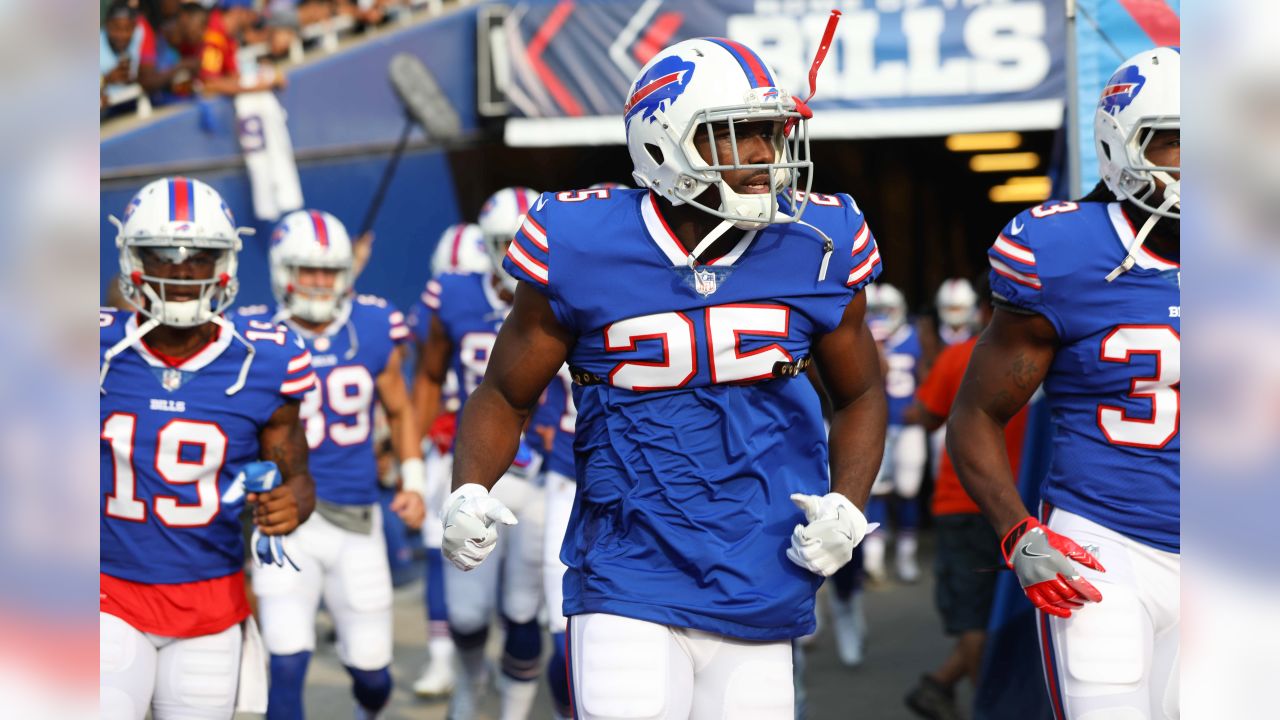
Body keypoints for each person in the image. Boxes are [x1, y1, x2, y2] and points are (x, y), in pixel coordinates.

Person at [440, 37, 888, 719]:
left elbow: (860, 393)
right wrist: (470, 486)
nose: (766, 156)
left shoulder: (816, 240)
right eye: (739, 136)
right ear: (666, 142)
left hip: (762, 565)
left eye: (770, 133)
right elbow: (506, 392)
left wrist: (848, 504)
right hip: (627, 566)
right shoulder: (583, 238)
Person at [948, 48, 1180, 720]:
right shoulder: (1067, 255)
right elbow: (975, 415)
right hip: (1106, 542)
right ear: (1121, 145)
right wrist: (1017, 531)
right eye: (1175, 142)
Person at [100, 176, 316, 719]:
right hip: (105, 593)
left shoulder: (266, 361)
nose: (179, 271)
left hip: (211, 602)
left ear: (226, 263)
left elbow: (298, 478)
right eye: (161, 255)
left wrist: (294, 504)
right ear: (131, 259)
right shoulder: (92, 346)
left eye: (199, 256)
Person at [244, 209, 425, 720]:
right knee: (285, 659)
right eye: (309, 269)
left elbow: (399, 406)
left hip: (356, 514)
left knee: (373, 676)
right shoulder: (252, 333)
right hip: (282, 519)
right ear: (283, 270)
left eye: (330, 270)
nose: (321, 282)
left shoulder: (371, 323)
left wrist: (411, 480)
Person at [414, 188, 547, 720]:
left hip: (543, 470)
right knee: (467, 616)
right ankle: (470, 679)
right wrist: (414, 453)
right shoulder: (455, 293)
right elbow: (427, 372)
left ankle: (512, 712)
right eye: (502, 243)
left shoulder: (571, 295)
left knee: (523, 611)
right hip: (473, 461)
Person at [902, 277, 1028, 720]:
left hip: (964, 502)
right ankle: (940, 685)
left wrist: (924, 379)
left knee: (975, 620)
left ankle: (986, 708)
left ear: (985, 311)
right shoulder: (1045, 356)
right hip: (1022, 505)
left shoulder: (960, 356)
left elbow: (925, 416)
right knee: (1007, 613)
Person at [406, 221, 492, 700]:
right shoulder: (437, 309)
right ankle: (445, 657)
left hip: (521, 452)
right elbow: (427, 375)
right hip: (448, 446)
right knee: (445, 553)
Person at [859, 282, 927, 584]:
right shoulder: (861, 338)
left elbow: (928, 374)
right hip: (877, 424)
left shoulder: (915, 336)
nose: (881, 317)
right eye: (875, 311)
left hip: (907, 424)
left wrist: (924, 404)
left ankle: (905, 557)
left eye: (886, 310)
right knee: (877, 490)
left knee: (909, 489)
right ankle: (874, 560)